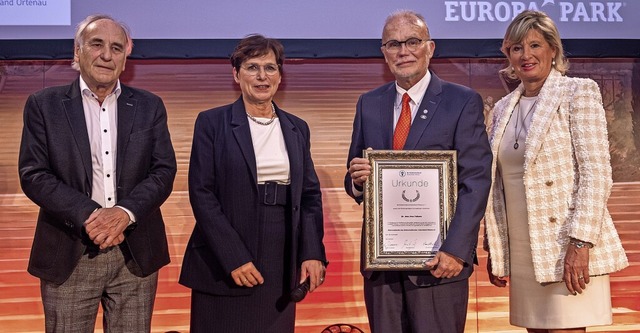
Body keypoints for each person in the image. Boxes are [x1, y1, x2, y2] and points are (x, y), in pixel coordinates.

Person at [18, 14, 177, 332]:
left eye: (117, 47)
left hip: (134, 253)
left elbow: (162, 171)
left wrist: (124, 213)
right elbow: (34, 174)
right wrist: (93, 216)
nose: (107, 55)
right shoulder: (43, 105)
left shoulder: (149, 106)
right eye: (97, 44)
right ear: (77, 52)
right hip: (69, 252)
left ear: (126, 56)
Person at [345, 10, 492, 333]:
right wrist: (357, 181)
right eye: (393, 44)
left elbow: (476, 181)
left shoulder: (461, 101)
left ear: (430, 47)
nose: (403, 51)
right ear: (383, 53)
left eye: (413, 41)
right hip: (382, 266)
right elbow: (354, 172)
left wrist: (456, 249)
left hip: (440, 262)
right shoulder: (368, 103)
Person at [483, 10, 629, 333]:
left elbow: (597, 174)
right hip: (522, 250)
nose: (526, 55)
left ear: (553, 49)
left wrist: (580, 244)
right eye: (517, 48)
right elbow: (497, 185)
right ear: (509, 55)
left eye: (535, 45)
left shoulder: (578, 92)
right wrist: (495, 244)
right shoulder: (504, 108)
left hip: (565, 247)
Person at [179, 34, 327, 333]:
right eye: (252, 67)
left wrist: (312, 252)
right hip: (224, 258)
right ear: (236, 74)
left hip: (281, 254)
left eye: (270, 68)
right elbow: (202, 194)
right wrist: (234, 257)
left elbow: (309, 196)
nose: (262, 76)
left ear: (280, 75)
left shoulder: (298, 128)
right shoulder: (211, 123)